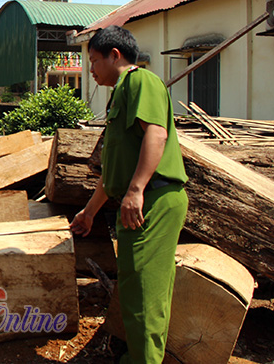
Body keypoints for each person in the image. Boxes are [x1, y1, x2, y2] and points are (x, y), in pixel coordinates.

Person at [70, 26, 188, 364]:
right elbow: (115, 171)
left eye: (94, 60)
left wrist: (136, 190)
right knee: (139, 290)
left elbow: (157, 133)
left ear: (115, 56)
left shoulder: (141, 82)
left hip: (153, 200)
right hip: (140, 202)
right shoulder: (120, 93)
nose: (90, 69)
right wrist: (90, 211)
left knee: (142, 294)